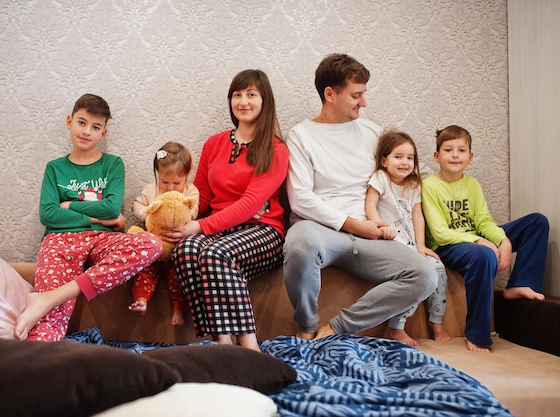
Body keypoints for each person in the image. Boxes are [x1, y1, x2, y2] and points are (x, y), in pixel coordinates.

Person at [283, 53, 438, 341]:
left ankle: (336, 328)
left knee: (425, 275)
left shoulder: (372, 131)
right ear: (330, 94)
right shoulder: (301, 135)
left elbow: (409, 170)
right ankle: (306, 326)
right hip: (320, 230)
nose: (363, 102)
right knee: (300, 244)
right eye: (357, 95)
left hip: (370, 232)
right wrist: (355, 225)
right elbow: (301, 199)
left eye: (363, 94)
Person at [14, 93, 162, 342]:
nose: (86, 131)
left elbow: (111, 208)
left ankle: (51, 297)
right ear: (69, 121)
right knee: (48, 323)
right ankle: (38, 364)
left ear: (103, 134)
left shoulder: (113, 165)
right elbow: (48, 214)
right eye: (81, 122)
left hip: (102, 241)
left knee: (151, 244)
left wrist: (70, 204)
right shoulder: (55, 168)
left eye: (95, 127)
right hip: (60, 241)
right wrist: (98, 219)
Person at [165, 69, 289, 352]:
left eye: (251, 95)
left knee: (213, 252)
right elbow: (203, 195)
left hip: (262, 229)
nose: (243, 101)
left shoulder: (276, 148)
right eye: (237, 95)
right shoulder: (214, 144)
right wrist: (185, 217)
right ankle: (220, 342)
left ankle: (249, 346)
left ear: (264, 101)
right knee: (185, 249)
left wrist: (200, 227)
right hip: (220, 229)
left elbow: (251, 204)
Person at [422, 124, 548, 352]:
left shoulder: (472, 184)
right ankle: (478, 334)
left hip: (474, 237)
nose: (455, 155)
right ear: (436, 156)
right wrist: (480, 241)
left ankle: (521, 283)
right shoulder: (430, 186)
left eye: (461, 151)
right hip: (448, 245)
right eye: (448, 150)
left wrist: (504, 241)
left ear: (470, 157)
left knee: (536, 222)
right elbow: (440, 233)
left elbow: (483, 222)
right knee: (484, 254)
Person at [365, 130, 451, 346]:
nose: (404, 162)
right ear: (384, 160)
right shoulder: (381, 178)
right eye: (398, 156)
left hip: (411, 246)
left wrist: (421, 246)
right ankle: (396, 327)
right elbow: (370, 205)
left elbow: (417, 216)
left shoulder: (415, 184)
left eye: (410, 158)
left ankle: (436, 321)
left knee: (437, 268)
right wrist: (379, 225)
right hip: (390, 244)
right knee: (416, 275)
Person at [129, 141, 199, 326]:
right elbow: (137, 204)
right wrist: (147, 215)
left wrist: (186, 215)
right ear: (157, 175)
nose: (170, 188)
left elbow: (194, 209)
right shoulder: (151, 190)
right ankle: (141, 300)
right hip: (155, 244)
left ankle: (177, 308)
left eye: (177, 182)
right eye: (165, 182)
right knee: (144, 269)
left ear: (187, 175)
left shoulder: (190, 190)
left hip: (176, 247)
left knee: (177, 274)